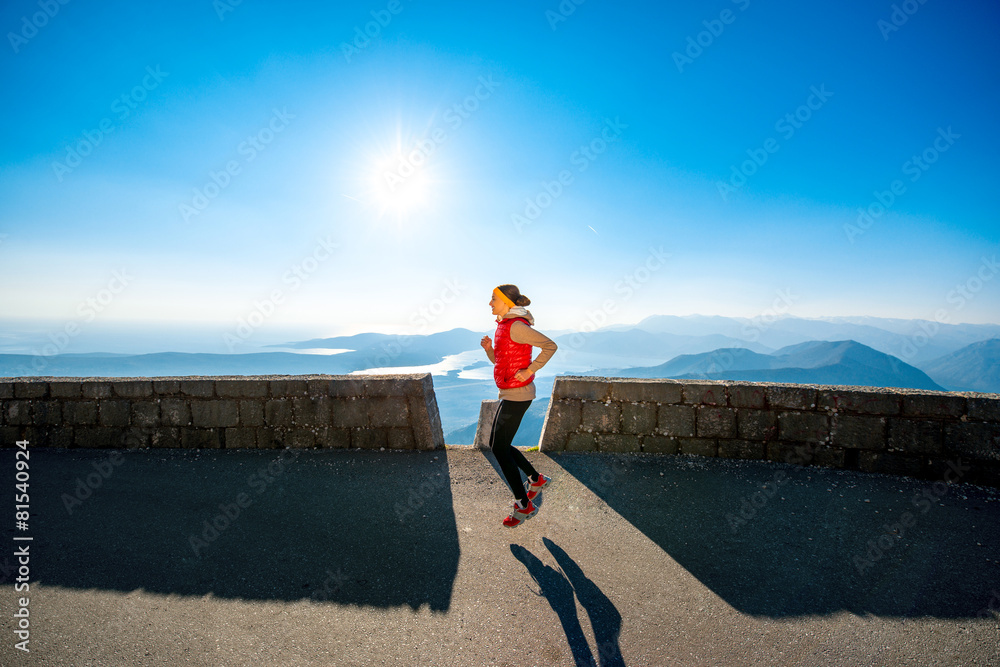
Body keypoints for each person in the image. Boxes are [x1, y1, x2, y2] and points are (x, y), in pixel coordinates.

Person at [480, 284, 558, 528]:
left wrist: (530, 370)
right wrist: (489, 350)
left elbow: (550, 345)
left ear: (506, 301)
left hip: (518, 393)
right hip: (510, 391)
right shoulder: (504, 326)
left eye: (493, 299)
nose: (490, 303)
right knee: (500, 444)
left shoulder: (516, 326)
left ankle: (523, 505)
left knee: (499, 447)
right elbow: (500, 360)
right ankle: (535, 479)